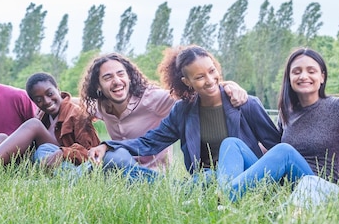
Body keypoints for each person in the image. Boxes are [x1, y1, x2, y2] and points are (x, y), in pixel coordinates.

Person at [88, 45, 281, 182]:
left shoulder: (246, 104)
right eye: (199, 77)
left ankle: (214, 191)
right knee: (179, 182)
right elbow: (149, 142)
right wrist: (108, 145)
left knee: (206, 178)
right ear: (187, 81)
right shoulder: (183, 110)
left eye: (212, 71)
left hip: (243, 177)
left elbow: (276, 147)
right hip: (202, 180)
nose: (209, 80)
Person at [215, 48, 339, 202]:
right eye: (296, 71)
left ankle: (227, 196)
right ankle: (226, 197)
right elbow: (273, 149)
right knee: (232, 144)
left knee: (285, 152)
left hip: (319, 185)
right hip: (285, 184)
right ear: (289, 78)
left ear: (322, 77)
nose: (303, 76)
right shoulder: (287, 111)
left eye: (311, 71)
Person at [0, 72, 100, 170]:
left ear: (58, 90)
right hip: (39, 160)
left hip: (62, 162)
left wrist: (63, 152)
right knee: (1, 137)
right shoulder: (43, 116)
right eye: (38, 99)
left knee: (33, 124)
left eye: (49, 94)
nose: (46, 101)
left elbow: (92, 151)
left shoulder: (77, 115)